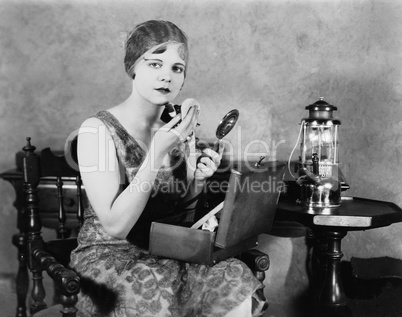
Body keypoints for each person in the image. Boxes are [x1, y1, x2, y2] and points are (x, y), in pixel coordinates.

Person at [70, 20, 267, 317]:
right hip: (109, 255)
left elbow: (181, 211)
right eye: (154, 64)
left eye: (176, 68)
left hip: (165, 248)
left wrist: (195, 177)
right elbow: (115, 226)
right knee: (154, 290)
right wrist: (155, 155)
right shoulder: (97, 130)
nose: (166, 76)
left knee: (234, 278)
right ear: (133, 67)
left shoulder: (175, 129)